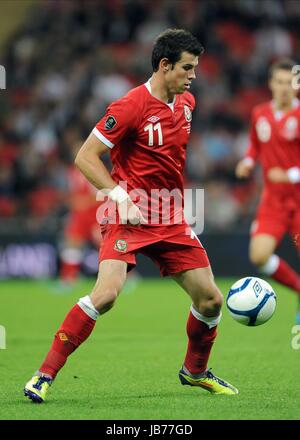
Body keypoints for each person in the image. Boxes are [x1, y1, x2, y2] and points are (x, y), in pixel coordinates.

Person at [24, 29, 238, 403]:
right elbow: (84, 156)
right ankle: (43, 375)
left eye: (196, 68)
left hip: (170, 213)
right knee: (106, 295)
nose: (193, 76)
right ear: (164, 65)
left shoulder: (188, 102)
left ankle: (196, 371)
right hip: (127, 212)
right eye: (187, 68)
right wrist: (120, 196)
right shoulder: (129, 106)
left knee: (211, 301)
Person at [235, 58, 300, 322]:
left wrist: (290, 174)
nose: (284, 88)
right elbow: (255, 145)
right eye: (280, 82)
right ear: (271, 84)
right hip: (273, 201)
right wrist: (248, 161)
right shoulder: (260, 113)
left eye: (290, 83)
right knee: (259, 256)